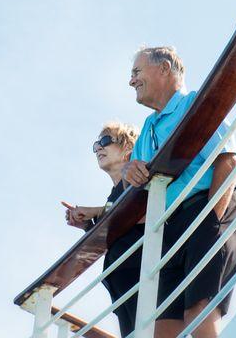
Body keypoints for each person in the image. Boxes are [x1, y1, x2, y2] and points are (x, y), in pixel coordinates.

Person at [121, 46, 236, 338]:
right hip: (173, 226)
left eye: (136, 73)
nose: (131, 81)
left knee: (198, 314)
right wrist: (130, 172)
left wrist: (210, 221)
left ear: (164, 68)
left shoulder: (193, 103)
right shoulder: (148, 127)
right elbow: (133, 184)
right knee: (162, 330)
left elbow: (227, 159)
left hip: (213, 206)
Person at [62, 121, 143, 337]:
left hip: (144, 277)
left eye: (105, 141)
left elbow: (135, 207)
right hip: (123, 284)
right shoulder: (113, 195)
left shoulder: (136, 177)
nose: (98, 148)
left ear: (127, 148)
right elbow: (115, 227)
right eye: (96, 145)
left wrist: (95, 211)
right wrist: (87, 225)